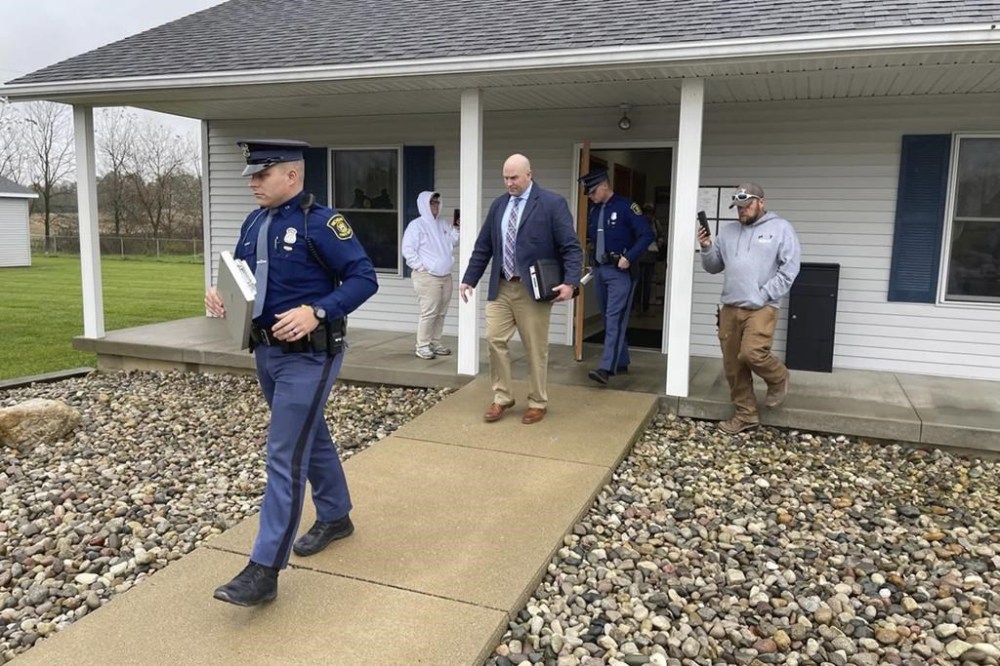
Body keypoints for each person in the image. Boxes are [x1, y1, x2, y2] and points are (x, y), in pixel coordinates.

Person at [204, 139, 379, 606]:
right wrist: (220, 294)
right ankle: (337, 515)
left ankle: (264, 570)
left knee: (283, 455)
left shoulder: (321, 224)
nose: (254, 184)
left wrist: (319, 311)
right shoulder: (254, 222)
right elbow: (243, 274)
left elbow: (365, 277)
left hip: (309, 355)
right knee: (309, 434)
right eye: (252, 176)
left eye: (262, 175)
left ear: (292, 176)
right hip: (266, 353)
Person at [460, 154, 582, 425]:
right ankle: (502, 397)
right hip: (502, 286)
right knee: (494, 339)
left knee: (535, 348)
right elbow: (484, 246)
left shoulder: (552, 203)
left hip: (534, 290)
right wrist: (469, 278)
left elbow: (571, 247)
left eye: (514, 177)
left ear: (529, 174)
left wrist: (571, 283)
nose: (509, 183)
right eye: (505, 177)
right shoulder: (499, 206)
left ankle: (538, 401)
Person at [698, 182, 800, 434]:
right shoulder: (728, 231)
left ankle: (778, 377)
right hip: (730, 307)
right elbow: (713, 267)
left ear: (761, 202)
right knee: (733, 366)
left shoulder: (781, 229)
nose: (742, 211)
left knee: (752, 353)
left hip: (762, 306)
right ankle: (746, 415)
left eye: (747, 205)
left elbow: (789, 270)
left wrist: (763, 294)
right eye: (738, 207)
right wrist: (707, 246)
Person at [579, 168, 654, 385]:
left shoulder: (626, 207)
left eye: (593, 192)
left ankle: (606, 367)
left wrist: (629, 257)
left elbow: (646, 234)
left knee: (614, 318)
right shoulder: (594, 211)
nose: (591, 197)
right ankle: (621, 360)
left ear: (604, 186)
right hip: (601, 269)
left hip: (621, 272)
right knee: (607, 317)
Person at [402, 191, 459, 359]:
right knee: (429, 311)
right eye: (432, 203)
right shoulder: (416, 225)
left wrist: (458, 228)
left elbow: (453, 241)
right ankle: (423, 345)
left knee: (441, 311)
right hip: (428, 277)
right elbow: (407, 249)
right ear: (424, 204)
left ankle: (435, 341)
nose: (435, 206)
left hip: (445, 275)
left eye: (437, 202)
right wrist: (420, 267)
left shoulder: (442, 224)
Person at [633, 203, 664, 315]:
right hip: (639, 256)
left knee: (647, 283)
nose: (648, 215)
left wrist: (658, 244)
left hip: (651, 256)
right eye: (646, 212)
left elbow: (661, 236)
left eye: (650, 212)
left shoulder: (656, 223)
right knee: (638, 283)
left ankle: (645, 308)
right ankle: (636, 307)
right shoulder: (638, 222)